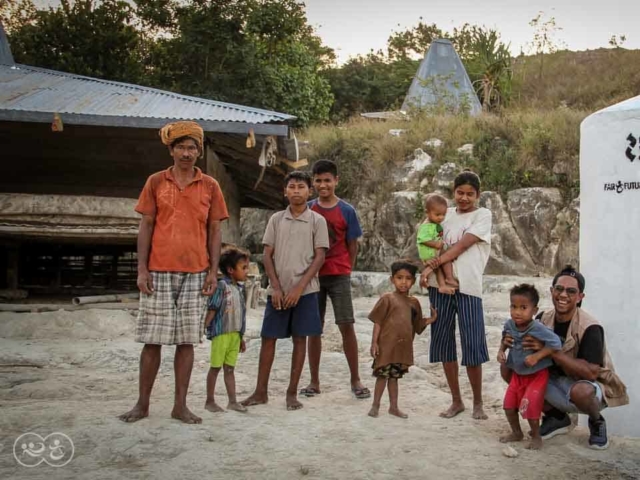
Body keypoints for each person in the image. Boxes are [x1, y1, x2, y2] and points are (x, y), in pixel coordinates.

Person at [119, 121, 228, 424]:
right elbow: (146, 225)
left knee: (187, 341)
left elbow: (215, 229)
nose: (186, 152)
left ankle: (180, 406)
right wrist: (142, 269)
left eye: (192, 147)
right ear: (170, 150)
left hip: (196, 271)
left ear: (199, 151)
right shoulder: (156, 182)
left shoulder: (210, 186)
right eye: (180, 146)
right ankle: (142, 404)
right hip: (159, 269)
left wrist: (212, 272)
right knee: (152, 340)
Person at [501, 266, 629, 450]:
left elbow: (591, 373)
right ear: (552, 291)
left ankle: (597, 421)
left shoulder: (590, 327)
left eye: (571, 291)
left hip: (584, 385)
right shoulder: (542, 318)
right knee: (509, 369)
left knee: (582, 391)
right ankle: (556, 417)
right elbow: (519, 339)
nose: (563, 295)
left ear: (580, 297)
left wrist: (551, 351)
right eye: (559, 289)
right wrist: (508, 341)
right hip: (552, 380)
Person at [241, 171, 329, 411]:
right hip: (278, 292)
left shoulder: (317, 221)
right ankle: (260, 391)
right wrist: (277, 287)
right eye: (292, 187)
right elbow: (267, 255)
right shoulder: (276, 220)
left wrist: (299, 288)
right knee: (268, 338)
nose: (297, 191)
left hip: (306, 291)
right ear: (285, 191)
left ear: (309, 191)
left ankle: (291, 393)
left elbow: (320, 256)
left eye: (301, 187)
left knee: (300, 339)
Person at [419, 170, 492, 420]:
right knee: (444, 342)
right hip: (440, 289)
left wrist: (432, 264)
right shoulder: (442, 215)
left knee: (473, 345)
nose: (464, 198)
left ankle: (478, 403)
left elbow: (462, 246)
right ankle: (456, 401)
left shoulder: (483, 215)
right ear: (453, 192)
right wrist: (428, 269)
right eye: (460, 193)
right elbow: (424, 240)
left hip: (469, 287)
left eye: (470, 194)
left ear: (478, 195)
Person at [301, 159, 370, 399]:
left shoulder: (347, 210)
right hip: (313, 276)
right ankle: (314, 381)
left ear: (336, 181)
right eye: (318, 181)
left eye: (327, 180)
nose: (323, 185)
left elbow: (352, 244)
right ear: (313, 182)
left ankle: (356, 379)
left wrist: (346, 269)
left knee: (346, 325)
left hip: (339, 274)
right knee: (313, 329)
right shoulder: (308, 209)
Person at [368, 260, 437, 419]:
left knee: (394, 378)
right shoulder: (387, 299)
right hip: (386, 347)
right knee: (382, 376)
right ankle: (375, 405)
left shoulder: (414, 303)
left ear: (413, 281)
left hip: (401, 349)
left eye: (407, 278)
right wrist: (374, 343)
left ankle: (393, 407)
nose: (403, 282)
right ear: (392, 279)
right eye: (399, 278)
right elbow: (378, 321)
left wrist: (431, 319)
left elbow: (418, 325)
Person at [497, 284, 562, 450]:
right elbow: (505, 337)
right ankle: (517, 433)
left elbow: (556, 344)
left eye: (523, 307)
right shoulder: (510, 325)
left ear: (534, 310)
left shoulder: (537, 328)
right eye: (513, 306)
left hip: (537, 375)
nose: (517, 312)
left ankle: (536, 436)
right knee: (509, 406)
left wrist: (537, 356)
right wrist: (501, 351)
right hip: (518, 374)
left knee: (531, 407)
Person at [203, 246, 250, 414]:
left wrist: (241, 337)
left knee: (230, 369)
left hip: (234, 335)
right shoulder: (222, 286)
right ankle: (210, 401)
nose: (247, 271)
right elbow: (213, 308)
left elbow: (241, 314)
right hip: (221, 333)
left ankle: (232, 401)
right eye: (243, 268)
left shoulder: (240, 288)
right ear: (231, 270)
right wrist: (204, 327)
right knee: (215, 368)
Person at [416, 193, 458, 295]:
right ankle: (449, 278)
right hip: (429, 253)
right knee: (445, 256)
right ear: (427, 212)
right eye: (437, 215)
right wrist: (435, 244)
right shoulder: (426, 226)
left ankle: (443, 285)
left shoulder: (435, 224)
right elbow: (422, 239)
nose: (441, 218)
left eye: (443, 215)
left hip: (433, 251)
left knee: (439, 267)